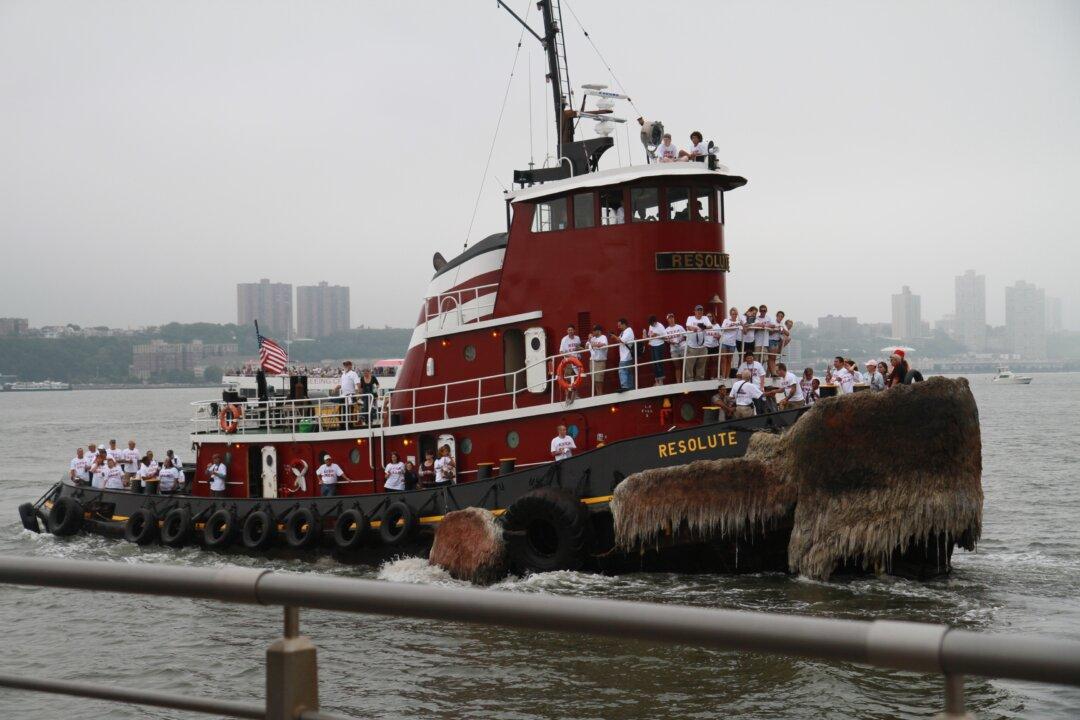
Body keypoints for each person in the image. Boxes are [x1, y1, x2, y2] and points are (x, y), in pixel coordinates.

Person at [684, 305, 712, 381]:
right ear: (695, 311)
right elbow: (688, 326)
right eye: (698, 310)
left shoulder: (705, 318)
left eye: (701, 310)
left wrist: (704, 327)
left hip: (703, 346)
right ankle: (689, 379)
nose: (699, 312)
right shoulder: (690, 318)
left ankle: (699, 378)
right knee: (689, 364)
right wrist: (694, 328)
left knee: (701, 364)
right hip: (692, 346)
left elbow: (710, 326)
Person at [609, 318, 636, 391]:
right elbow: (619, 340)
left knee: (622, 371)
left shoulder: (628, 331)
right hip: (626, 356)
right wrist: (614, 337)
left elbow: (621, 340)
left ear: (624, 324)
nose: (618, 327)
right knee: (629, 373)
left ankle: (624, 386)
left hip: (626, 356)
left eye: (619, 325)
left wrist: (614, 336)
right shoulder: (623, 332)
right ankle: (631, 388)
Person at [719, 307, 742, 380]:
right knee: (724, 359)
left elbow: (743, 328)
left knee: (729, 360)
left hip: (732, 343)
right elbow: (722, 329)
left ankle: (727, 376)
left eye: (735, 314)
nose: (734, 315)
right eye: (733, 314)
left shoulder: (739, 322)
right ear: (730, 314)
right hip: (724, 342)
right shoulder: (726, 320)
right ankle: (723, 376)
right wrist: (731, 326)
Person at [585, 325, 609, 395]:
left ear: (598, 331)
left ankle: (600, 393)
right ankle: (598, 393)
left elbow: (603, 345)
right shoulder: (592, 338)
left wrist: (593, 344)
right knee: (594, 379)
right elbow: (586, 347)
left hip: (600, 361)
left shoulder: (603, 337)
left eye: (594, 331)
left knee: (599, 379)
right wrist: (589, 339)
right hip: (592, 361)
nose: (593, 332)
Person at [664, 313, 686, 384]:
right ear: (667, 320)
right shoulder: (666, 330)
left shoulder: (680, 327)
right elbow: (666, 340)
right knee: (677, 366)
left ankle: (685, 380)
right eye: (669, 318)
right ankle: (678, 382)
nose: (671, 319)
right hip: (674, 350)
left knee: (685, 365)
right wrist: (671, 342)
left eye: (672, 318)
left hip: (682, 347)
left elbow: (685, 335)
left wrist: (680, 340)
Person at [645, 315, 667, 385]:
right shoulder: (650, 326)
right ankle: (657, 380)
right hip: (652, 346)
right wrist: (647, 338)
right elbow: (650, 336)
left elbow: (666, 337)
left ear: (655, 322)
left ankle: (661, 381)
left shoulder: (660, 326)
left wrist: (657, 335)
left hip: (659, 346)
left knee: (659, 363)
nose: (651, 325)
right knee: (654, 364)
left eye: (652, 323)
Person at [337, 360, 360, 426]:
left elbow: (358, 383)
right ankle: (342, 424)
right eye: (345, 365)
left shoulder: (353, 373)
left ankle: (349, 424)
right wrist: (335, 388)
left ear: (350, 366)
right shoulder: (343, 374)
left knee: (349, 410)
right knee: (341, 410)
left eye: (347, 365)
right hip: (343, 395)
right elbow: (340, 384)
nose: (345, 366)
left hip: (350, 394)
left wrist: (358, 393)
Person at [704, 312, 721, 379]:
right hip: (706, 346)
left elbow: (720, 334)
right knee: (706, 362)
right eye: (707, 316)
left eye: (710, 316)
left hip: (715, 346)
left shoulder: (716, 325)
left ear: (712, 317)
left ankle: (713, 376)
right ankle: (705, 377)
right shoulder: (704, 326)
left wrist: (717, 336)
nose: (709, 318)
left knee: (714, 362)